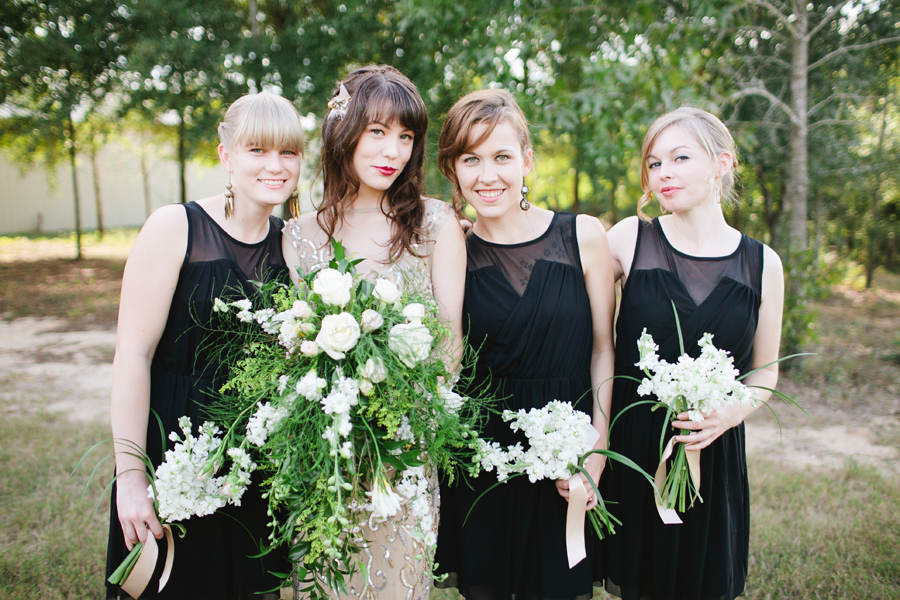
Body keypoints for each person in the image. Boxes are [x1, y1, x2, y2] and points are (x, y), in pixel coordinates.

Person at [106, 92, 304, 599]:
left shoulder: (293, 246)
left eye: (289, 153)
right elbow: (133, 354)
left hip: (254, 462)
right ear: (226, 156)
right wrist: (130, 479)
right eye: (257, 150)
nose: (275, 166)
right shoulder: (176, 228)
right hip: (172, 453)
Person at [283, 65, 466, 599]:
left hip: (405, 448)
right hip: (327, 449)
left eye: (406, 136)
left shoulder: (434, 224)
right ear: (345, 132)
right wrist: (341, 420)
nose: (394, 150)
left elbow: (450, 336)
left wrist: (396, 420)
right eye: (379, 132)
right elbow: (297, 347)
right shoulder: (299, 236)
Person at [433, 89, 616, 600]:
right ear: (453, 169)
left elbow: (604, 349)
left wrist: (596, 449)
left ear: (527, 161)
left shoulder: (582, 235)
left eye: (501, 157)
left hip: (568, 444)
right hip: (483, 450)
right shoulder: (453, 252)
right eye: (470, 159)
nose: (486, 175)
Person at [601, 107, 784, 600]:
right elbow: (559, 285)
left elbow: (765, 374)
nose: (664, 174)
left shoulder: (763, 262)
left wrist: (727, 415)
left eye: (680, 158)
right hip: (638, 446)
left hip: (713, 447)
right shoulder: (628, 240)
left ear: (721, 163)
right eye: (654, 163)